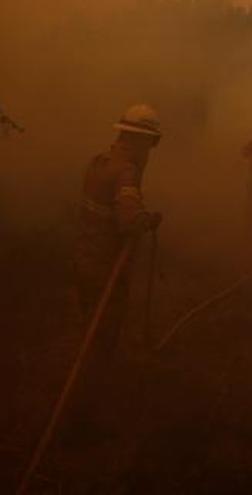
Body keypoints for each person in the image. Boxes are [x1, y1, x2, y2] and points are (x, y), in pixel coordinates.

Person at [72, 103, 163, 358]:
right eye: (152, 143)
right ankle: (99, 383)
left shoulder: (98, 162)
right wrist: (148, 220)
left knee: (90, 323)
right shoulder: (127, 172)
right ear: (143, 140)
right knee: (104, 333)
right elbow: (128, 221)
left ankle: (91, 364)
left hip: (83, 258)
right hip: (106, 267)